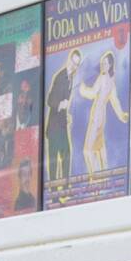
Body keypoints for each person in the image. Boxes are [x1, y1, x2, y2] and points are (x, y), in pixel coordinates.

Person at [78, 49, 128, 178]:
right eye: (102, 63)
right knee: (99, 147)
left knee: (87, 150)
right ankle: (103, 174)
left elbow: (93, 93)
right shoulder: (111, 80)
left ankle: (97, 178)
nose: (103, 66)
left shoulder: (103, 77)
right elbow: (115, 101)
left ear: (110, 65)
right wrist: (122, 115)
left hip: (97, 115)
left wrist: (82, 89)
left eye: (105, 64)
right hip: (102, 115)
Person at [45, 47, 82, 188]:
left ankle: (66, 188)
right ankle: (55, 191)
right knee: (54, 161)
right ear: (69, 60)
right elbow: (49, 100)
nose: (74, 66)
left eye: (77, 64)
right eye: (73, 62)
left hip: (61, 124)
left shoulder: (70, 78)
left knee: (66, 154)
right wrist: (60, 105)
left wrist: (66, 114)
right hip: (54, 127)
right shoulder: (60, 77)